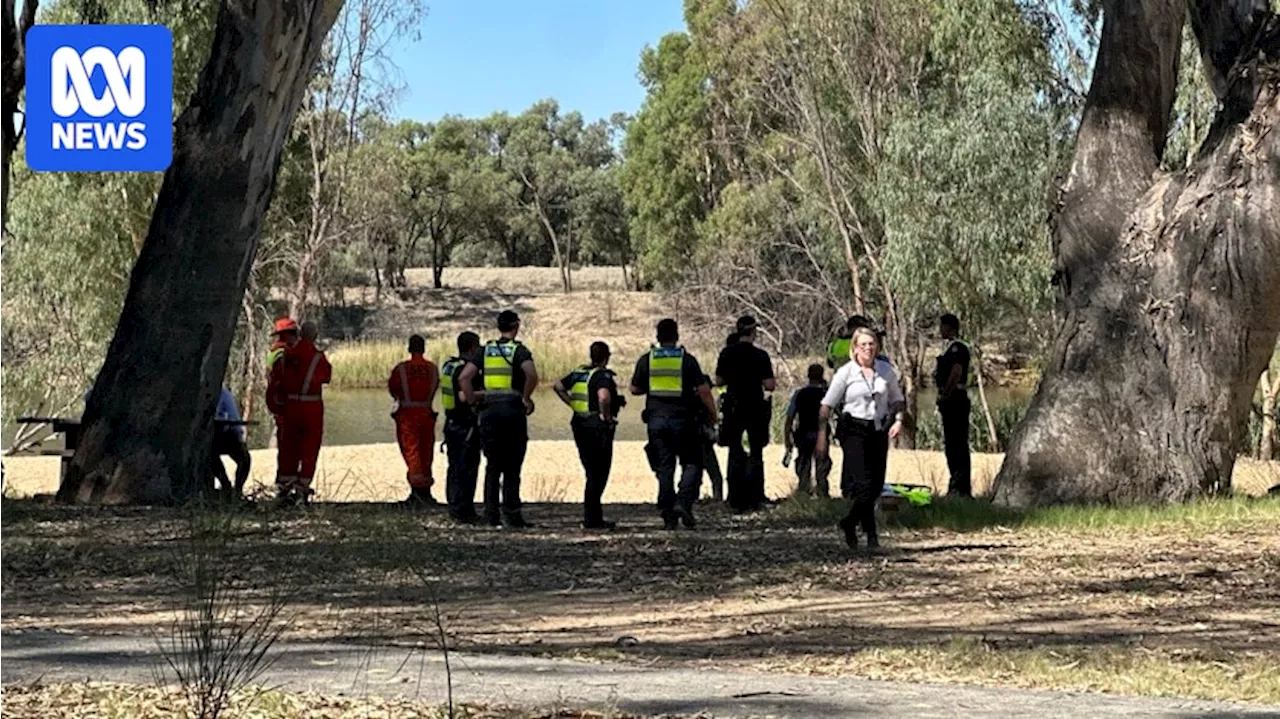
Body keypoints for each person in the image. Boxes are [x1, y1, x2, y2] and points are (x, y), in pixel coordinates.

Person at [816, 327, 905, 552]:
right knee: (863, 486)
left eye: (871, 344)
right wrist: (821, 436)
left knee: (876, 486)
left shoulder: (886, 370)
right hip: (854, 430)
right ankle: (871, 535)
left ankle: (850, 523)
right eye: (863, 344)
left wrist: (899, 420)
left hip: (879, 429)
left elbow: (897, 400)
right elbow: (827, 405)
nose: (868, 348)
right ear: (855, 348)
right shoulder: (846, 373)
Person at [630, 318, 718, 530]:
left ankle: (667, 510)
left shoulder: (647, 359)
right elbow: (704, 391)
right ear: (676, 335)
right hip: (684, 421)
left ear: (657, 336)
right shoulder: (686, 360)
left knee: (664, 466)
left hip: (656, 422)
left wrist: (652, 388)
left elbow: (634, 389)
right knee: (692, 463)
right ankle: (684, 503)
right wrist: (712, 414)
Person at [460, 310, 538, 528]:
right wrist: (526, 397)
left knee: (492, 466)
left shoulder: (485, 350)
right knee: (513, 464)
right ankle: (512, 514)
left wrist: (473, 402)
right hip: (512, 410)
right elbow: (531, 375)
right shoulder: (519, 350)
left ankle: (491, 515)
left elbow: (464, 378)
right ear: (516, 326)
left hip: (489, 411)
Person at [554, 341, 624, 530]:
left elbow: (558, 385)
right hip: (596, 426)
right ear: (606, 357)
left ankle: (593, 516)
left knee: (590, 470)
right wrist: (606, 417)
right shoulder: (602, 375)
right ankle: (592, 519)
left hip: (579, 423)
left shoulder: (579, 372)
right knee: (599, 472)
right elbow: (603, 397)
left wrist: (572, 404)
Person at [715, 316, 776, 514]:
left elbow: (719, 380)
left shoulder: (726, 353)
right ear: (753, 332)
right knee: (756, 452)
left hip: (733, 407)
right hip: (755, 407)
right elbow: (770, 385)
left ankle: (734, 498)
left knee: (735, 451)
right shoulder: (761, 355)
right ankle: (756, 497)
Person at [268, 320, 332, 506]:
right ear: (315, 336)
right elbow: (326, 377)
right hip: (311, 407)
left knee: (288, 447)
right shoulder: (318, 357)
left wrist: (276, 407)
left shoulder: (285, 355)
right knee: (309, 448)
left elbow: (275, 382)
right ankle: (302, 489)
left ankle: (284, 488)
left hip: (290, 407)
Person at [389, 334, 441, 507]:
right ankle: (426, 492)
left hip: (408, 415)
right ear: (424, 348)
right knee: (427, 452)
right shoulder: (433, 369)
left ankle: (417, 493)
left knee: (412, 452)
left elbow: (393, 389)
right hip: (427, 413)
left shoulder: (401, 369)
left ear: (409, 348)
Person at [441, 331, 484, 523]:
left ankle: (454, 507)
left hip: (450, 422)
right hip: (465, 423)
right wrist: (486, 394)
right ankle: (464, 511)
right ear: (473, 347)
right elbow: (464, 397)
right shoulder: (466, 370)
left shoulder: (448, 366)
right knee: (467, 468)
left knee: (454, 467)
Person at [936, 313, 972, 498]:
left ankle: (961, 487)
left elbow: (956, 372)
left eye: (942, 326)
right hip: (950, 400)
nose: (940, 330)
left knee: (957, 443)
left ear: (949, 327)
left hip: (955, 400)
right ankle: (955, 484)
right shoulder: (949, 348)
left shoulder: (958, 349)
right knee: (951, 444)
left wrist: (946, 394)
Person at [785, 364, 832, 498]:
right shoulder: (826, 394)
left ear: (808, 375)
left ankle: (803, 493)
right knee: (822, 468)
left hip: (803, 434)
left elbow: (790, 417)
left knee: (803, 466)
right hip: (821, 435)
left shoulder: (799, 394)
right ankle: (822, 494)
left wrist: (787, 438)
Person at [210, 386, 251, 500]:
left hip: (225, 434)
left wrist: (238, 438)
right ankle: (226, 485)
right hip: (208, 438)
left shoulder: (224, 394)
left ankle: (237, 491)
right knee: (209, 455)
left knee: (245, 458)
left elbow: (233, 416)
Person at [266, 318, 300, 451]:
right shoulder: (283, 354)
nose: (296, 338)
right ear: (287, 335)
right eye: (294, 334)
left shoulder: (273, 352)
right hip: (284, 402)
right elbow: (286, 380)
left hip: (276, 401)